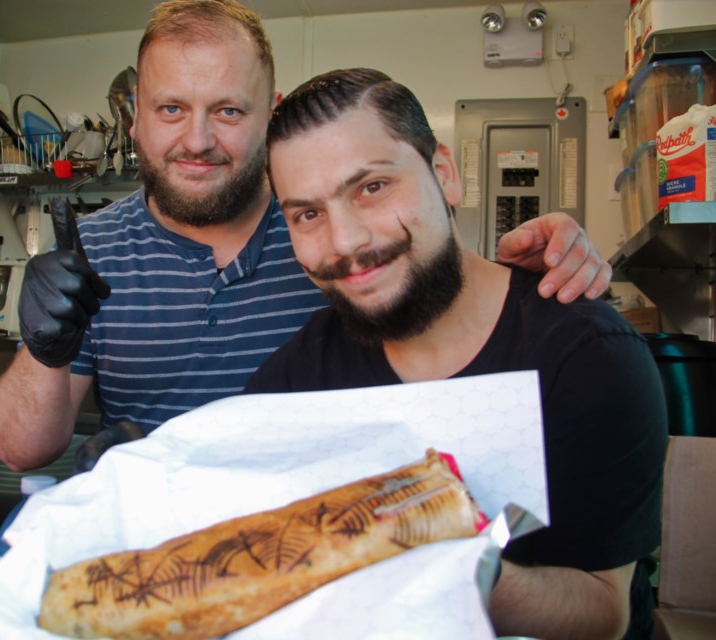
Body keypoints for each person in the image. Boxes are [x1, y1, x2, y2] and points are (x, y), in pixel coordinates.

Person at [0, 0, 612, 474]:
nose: (198, 139)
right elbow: (21, 452)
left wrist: (531, 270)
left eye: (229, 110)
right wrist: (46, 349)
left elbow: (439, 296)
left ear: (271, 112)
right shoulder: (90, 248)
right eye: (171, 108)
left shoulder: (330, 241)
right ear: (137, 117)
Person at [243, 68, 668, 640]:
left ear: (444, 173)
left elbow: (604, 613)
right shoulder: (300, 379)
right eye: (307, 215)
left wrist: (445, 563)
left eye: (371, 187)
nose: (345, 243)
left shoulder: (588, 357)